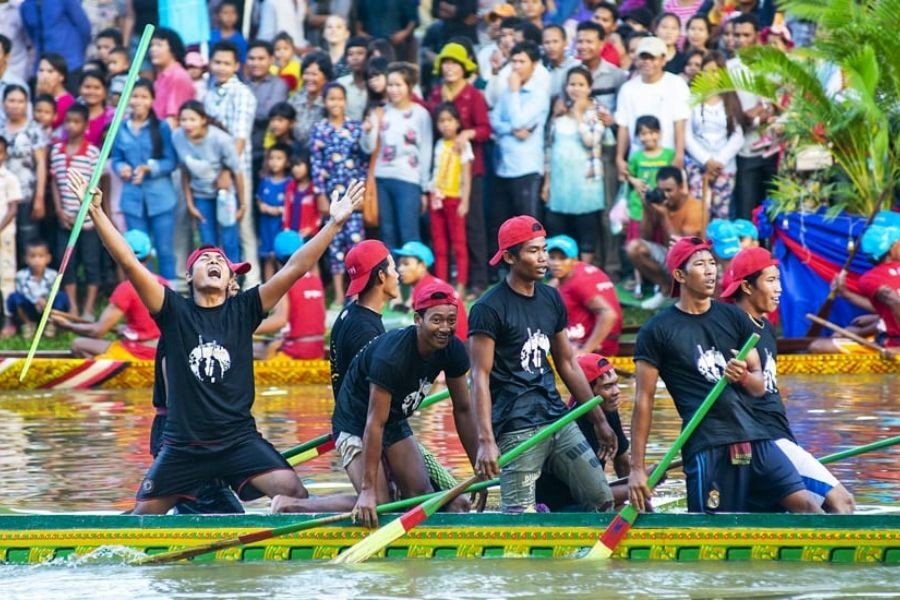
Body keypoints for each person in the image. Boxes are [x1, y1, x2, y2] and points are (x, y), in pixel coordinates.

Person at [67, 166, 365, 516]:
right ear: (189, 277)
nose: (213, 261)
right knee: (140, 520)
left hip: (237, 441)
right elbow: (130, 263)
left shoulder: (245, 309)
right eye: (204, 259)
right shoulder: (173, 310)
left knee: (293, 491)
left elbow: (294, 268)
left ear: (229, 282)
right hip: (183, 447)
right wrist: (97, 213)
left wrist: (334, 224)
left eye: (220, 261)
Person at [628, 236, 822, 514]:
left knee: (808, 507)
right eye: (700, 264)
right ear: (680, 275)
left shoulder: (734, 318)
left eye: (712, 263)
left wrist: (742, 376)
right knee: (710, 529)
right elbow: (643, 401)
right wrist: (637, 469)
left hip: (755, 437)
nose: (711, 271)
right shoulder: (657, 330)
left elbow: (758, 386)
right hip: (708, 442)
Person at [469, 216, 617, 513]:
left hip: (557, 419)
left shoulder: (551, 297)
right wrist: (485, 441)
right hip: (515, 428)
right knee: (518, 517)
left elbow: (568, 363)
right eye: (533, 251)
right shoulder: (488, 308)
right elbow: (479, 377)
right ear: (510, 258)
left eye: (544, 249)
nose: (543, 258)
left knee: (602, 501)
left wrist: (599, 420)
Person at [331, 280, 480, 527]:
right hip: (356, 422)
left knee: (420, 498)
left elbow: (463, 410)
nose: (445, 328)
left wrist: (478, 468)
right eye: (436, 320)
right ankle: (291, 506)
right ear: (418, 320)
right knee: (380, 504)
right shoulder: (392, 356)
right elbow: (374, 424)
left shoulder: (453, 349)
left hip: (393, 419)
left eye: (451, 321)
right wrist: (367, 489)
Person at [720, 247, 855, 512]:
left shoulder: (766, 328)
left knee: (809, 510)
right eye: (771, 280)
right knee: (843, 501)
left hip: (779, 437)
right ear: (746, 287)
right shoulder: (731, 325)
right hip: (765, 439)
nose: (779, 288)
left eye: (779, 280)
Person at [426, 42, 492, 298]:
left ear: (465, 67)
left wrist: (467, 133)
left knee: (473, 227)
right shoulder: (436, 94)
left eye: (455, 63)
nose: (450, 68)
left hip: (469, 169)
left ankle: (478, 280)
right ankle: (446, 281)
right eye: (446, 63)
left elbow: (485, 129)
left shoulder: (473, 95)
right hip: (442, 171)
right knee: (442, 236)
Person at [535, 353, 632, 510]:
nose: (616, 392)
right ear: (587, 392)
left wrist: (640, 504)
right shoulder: (569, 427)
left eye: (616, 384)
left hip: (594, 497)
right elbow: (591, 495)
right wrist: (639, 488)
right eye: (607, 386)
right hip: (561, 507)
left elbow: (623, 464)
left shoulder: (610, 414)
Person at [51, 230, 168, 359]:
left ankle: (116, 371)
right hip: (163, 349)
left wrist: (67, 325)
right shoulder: (163, 283)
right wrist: (129, 330)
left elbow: (98, 331)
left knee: (78, 344)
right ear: (149, 256)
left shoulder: (126, 288)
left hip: (140, 352)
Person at [204, 40, 260, 287]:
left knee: (243, 227)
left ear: (237, 66)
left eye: (226, 63)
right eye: (217, 62)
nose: (221, 67)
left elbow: (240, 137)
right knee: (220, 229)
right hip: (211, 173)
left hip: (237, 172)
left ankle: (253, 283)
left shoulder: (242, 94)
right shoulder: (209, 92)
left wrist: (228, 171)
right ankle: (220, 281)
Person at [360, 62, 433, 251]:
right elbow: (368, 148)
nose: (393, 90)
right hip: (382, 179)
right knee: (387, 232)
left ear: (409, 86)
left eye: (398, 85)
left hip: (409, 179)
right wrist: (367, 132)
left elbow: (426, 151)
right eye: (390, 85)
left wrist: (424, 188)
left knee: (409, 232)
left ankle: (412, 269)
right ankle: (391, 269)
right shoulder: (380, 112)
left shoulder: (421, 114)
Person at [111, 78, 178, 280]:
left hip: (161, 198)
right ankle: (142, 292)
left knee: (164, 249)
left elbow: (171, 161)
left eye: (144, 97)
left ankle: (169, 290)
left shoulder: (162, 127)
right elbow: (116, 158)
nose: (138, 101)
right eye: (135, 96)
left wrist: (150, 168)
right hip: (133, 198)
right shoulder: (120, 127)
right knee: (137, 250)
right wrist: (121, 168)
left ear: (152, 100)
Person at [309, 82, 368, 308]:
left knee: (355, 242)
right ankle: (339, 292)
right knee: (333, 243)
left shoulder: (355, 127)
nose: (335, 103)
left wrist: (363, 193)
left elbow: (363, 162)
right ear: (324, 102)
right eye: (331, 98)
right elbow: (316, 164)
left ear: (345, 101)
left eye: (339, 98)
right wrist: (320, 195)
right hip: (332, 194)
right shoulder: (319, 129)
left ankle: (356, 293)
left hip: (353, 193)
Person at [542, 66, 607, 263]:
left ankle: (583, 272)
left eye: (581, 84)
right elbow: (549, 149)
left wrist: (579, 115)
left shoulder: (597, 112)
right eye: (572, 84)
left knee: (586, 229)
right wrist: (547, 182)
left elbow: (591, 141)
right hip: (560, 183)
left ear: (589, 88)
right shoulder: (559, 112)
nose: (576, 89)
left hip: (585, 184)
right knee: (557, 226)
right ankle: (560, 269)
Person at [172, 101, 244, 264]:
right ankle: (211, 275)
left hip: (224, 195)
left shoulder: (221, 139)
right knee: (208, 243)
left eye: (192, 119)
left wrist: (242, 205)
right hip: (200, 195)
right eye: (183, 120)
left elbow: (237, 172)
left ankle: (233, 276)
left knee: (229, 240)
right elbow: (184, 171)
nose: (187, 124)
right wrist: (190, 204)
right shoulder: (177, 137)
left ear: (203, 120)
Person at [329, 239, 401, 399]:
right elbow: (372, 396)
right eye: (393, 269)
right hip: (362, 415)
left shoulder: (348, 313)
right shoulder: (365, 331)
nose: (397, 275)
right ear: (381, 276)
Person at [489, 42, 551, 224]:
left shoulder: (538, 95)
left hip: (526, 167)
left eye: (522, 62)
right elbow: (494, 121)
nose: (516, 67)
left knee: (528, 225)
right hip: (503, 166)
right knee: (501, 224)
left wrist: (515, 92)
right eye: (514, 62)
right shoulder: (507, 92)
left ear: (534, 64)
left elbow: (519, 121)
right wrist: (511, 130)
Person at [49, 104, 101, 320]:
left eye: (76, 122)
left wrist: (87, 211)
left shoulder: (92, 153)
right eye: (68, 121)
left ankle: (88, 308)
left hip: (87, 220)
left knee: (91, 263)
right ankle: (72, 307)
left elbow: (96, 185)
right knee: (66, 263)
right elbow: (55, 183)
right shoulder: (56, 151)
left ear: (86, 125)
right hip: (65, 219)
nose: (71, 126)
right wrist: (59, 210)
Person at [626, 166, 704, 310]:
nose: (665, 195)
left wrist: (664, 216)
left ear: (681, 187)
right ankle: (666, 288)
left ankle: (684, 294)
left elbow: (683, 248)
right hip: (667, 254)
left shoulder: (695, 207)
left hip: (692, 260)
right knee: (634, 248)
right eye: (662, 190)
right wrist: (647, 209)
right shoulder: (660, 203)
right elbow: (645, 237)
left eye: (669, 190)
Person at [615, 36, 689, 181]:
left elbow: (680, 122)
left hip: (668, 157)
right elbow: (623, 126)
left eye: (652, 58)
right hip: (638, 160)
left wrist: (679, 154)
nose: (647, 62)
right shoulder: (627, 89)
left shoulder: (676, 84)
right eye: (643, 58)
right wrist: (619, 157)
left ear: (663, 59)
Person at [728, 14, 778, 220]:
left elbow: (783, 101)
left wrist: (766, 110)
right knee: (746, 213)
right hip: (745, 148)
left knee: (775, 211)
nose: (740, 40)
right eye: (736, 35)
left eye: (746, 35)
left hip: (775, 147)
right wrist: (755, 115)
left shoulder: (773, 64)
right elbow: (731, 109)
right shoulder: (729, 68)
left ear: (757, 35)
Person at [685, 51, 745, 219]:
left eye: (714, 71)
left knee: (721, 214)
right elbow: (687, 136)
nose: (710, 76)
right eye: (706, 71)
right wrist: (706, 160)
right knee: (699, 213)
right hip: (698, 165)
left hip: (724, 166)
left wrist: (718, 161)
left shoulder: (730, 100)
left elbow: (738, 136)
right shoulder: (693, 98)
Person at [254, 230, 327, 360]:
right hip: (318, 350)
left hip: (295, 351)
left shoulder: (284, 282)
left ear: (276, 258)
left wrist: (247, 327)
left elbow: (280, 320)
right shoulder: (316, 280)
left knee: (253, 349)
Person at [547, 235, 622, 356]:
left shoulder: (580, 282)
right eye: (552, 258)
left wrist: (585, 351)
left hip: (596, 349)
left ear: (574, 260)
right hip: (584, 339)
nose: (556, 263)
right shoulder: (575, 272)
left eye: (562, 258)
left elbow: (609, 314)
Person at [428, 103, 471, 294]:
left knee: (458, 244)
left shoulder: (464, 145)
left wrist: (465, 201)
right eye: (441, 121)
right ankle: (441, 283)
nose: (446, 125)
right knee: (439, 244)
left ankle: (460, 284)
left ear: (458, 123)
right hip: (437, 198)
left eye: (450, 120)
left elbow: (467, 176)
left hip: (455, 199)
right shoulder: (438, 144)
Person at [2, 84, 48, 260]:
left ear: (27, 104)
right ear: (3, 102)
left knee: (26, 241)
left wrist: (39, 198)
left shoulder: (33, 129)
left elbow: (41, 164)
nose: (15, 105)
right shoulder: (0, 126)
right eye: (11, 100)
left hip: (26, 195)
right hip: (2, 197)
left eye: (20, 101)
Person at [395, 240, 469, 341]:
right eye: (400, 264)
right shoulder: (429, 284)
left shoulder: (426, 290)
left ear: (422, 266)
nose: (400, 269)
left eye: (406, 264)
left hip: (451, 344)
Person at [246, 40, 289, 194]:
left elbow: (269, 114)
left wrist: (244, 111)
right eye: (252, 58)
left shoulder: (279, 85)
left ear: (271, 60)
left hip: (267, 154)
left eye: (261, 59)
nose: (256, 63)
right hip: (243, 151)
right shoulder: (243, 84)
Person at [5, 239, 70, 338]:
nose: (37, 260)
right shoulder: (21, 275)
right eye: (32, 256)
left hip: (48, 308)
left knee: (61, 296)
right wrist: (36, 301)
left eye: (41, 256)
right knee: (14, 297)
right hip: (30, 308)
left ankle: (51, 324)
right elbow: (23, 293)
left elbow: (54, 292)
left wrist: (46, 301)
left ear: (48, 258)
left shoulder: (53, 275)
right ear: (26, 259)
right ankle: (28, 324)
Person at [20, 0, 91, 77]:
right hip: (43, 66)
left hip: (70, 64)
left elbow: (84, 27)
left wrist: (78, 52)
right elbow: (31, 34)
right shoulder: (26, 6)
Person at [256, 144, 292, 281]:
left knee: (281, 259)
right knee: (268, 258)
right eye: (271, 158)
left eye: (279, 158)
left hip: (281, 227)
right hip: (266, 227)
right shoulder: (265, 181)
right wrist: (262, 206)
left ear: (287, 162)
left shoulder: (289, 183)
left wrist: (278, 210)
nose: (274, 162)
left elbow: (291, 206)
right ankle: (267, 288)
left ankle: (282, 289)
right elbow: (259, 200)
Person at [149, 28, 195, 130]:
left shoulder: (178, 76)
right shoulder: (161, 76)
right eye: (152, 45)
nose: (153, 49)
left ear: (173, 50)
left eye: (159, 45)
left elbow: (173, 120)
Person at [0, 134, 21, 335]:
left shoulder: (9, 178)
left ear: (5, 155)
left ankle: (9, 320)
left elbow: (13, 208)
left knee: (6, 277)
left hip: (4, 236)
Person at [543, 25, 581, 100]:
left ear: (565, 42)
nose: (551, 46)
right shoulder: (543, 72)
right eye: (547, 42)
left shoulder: (577, 66)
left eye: (555, 41)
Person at [336, 37, 370, 121]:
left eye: (360, 53)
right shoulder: (340, 84)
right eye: (350, 54)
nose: (355, 58)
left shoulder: (375, 84)